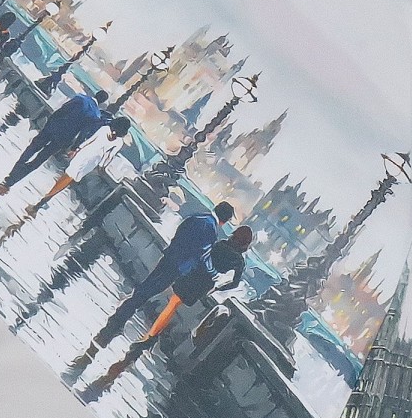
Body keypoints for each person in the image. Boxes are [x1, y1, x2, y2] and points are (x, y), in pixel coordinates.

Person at [65, 202, 237, 379]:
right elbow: (202, 255)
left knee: (146, 287)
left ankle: (118, 319)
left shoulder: (198, 217)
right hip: (177, 267)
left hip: (169, 257)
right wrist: (213, 273)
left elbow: (180, 232)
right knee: (149, 291)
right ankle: (120, 320)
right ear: (224, 220)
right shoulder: (211, 230)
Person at [79, 226, 253, 398]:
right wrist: (216, 288)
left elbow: (200, 256)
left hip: (189, 278)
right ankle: (141, 345)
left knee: (162, 304)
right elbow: (234, 283)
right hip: (200, 289)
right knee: (168, 314)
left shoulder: (220, 244)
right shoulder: (239, 262)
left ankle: (125, 337)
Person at [0, 91, 111, 206]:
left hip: (52, 126)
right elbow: (83, 133)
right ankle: (12, 181)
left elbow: (62, 109)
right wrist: (74, 147)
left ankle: (11, 175)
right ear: (102, 103)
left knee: (32, 148)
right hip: (63, 138)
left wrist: (49, 121)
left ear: (96, 94)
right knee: (39, 159)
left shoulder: (80, 98)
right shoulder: (95, 115)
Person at [23, 117, 133, 216]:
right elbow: (108, 156)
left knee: (67, 176)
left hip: (85, 153)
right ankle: (45, 200)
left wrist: (77, 149)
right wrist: (101, 166)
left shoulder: (104, 129)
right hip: (93, 161)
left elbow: (90, 140)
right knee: (69, 178)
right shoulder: (119, 142)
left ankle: (43, 201)